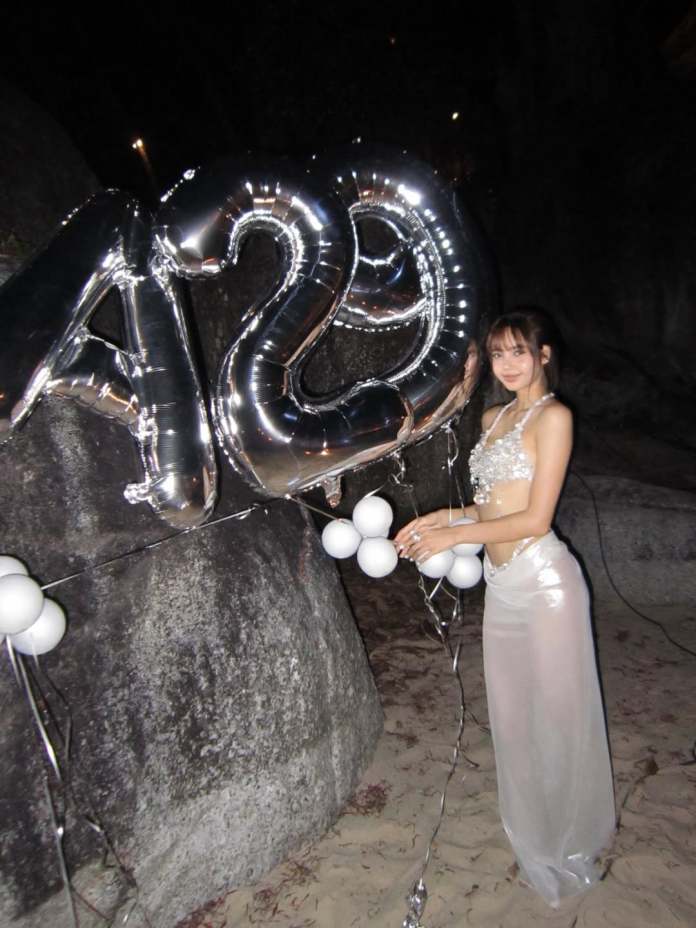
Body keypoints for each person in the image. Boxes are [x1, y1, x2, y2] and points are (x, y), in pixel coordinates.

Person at [394, 308, 616, 907]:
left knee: (559, 713)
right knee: (513, 714)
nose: (508, 364)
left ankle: (568, 836)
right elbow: (492, 509)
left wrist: (454, 535)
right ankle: (534, 828)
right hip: (502, 584)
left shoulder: (554, 418)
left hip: (546, 584)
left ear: (544, 355)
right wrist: (440, 519)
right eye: (498, 354)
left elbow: (536, 519)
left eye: (519, 351)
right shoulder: (493, 419)